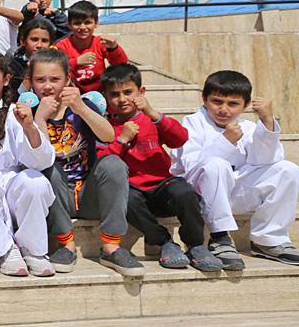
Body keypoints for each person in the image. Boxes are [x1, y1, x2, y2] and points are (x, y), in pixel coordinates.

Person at [29, 49, 143, 276]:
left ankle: (111, 245)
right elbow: (38, 157)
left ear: (68, 80)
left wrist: (80, 107)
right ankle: (66, 244)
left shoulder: (83, 107)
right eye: (40, 80)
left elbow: (109, 136)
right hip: (56, 198)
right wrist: (39, 118)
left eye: (55, 79)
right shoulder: (28, 113)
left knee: (113, 164)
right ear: (31, 83)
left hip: (89, 195)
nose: (48, 86)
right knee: (48, 169)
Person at [100, 64, 222, 272]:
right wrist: (122, 139)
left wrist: (153, 113)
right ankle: (164, 242)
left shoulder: (152, 120)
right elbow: (103, 163)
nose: (122, 99)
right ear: (106, 97)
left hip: (162, 186)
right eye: (115, 94)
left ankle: (195, 245)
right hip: (133, 191)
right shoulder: (104, 127)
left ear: (142, 92)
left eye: (128, 92)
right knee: (126, 199)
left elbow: (180, 139)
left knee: (184, 191)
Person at [172, 70, 299, 268]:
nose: (223, 109)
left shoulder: (247, 127)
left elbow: (266, 160)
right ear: (204, 99)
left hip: (233, 195)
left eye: (233, 104)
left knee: (287, 169)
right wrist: (225, 141)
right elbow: (192, 169)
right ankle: (219, 237)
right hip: (199, 197)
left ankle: (269, 240)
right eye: (217, 101)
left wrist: (266, 121)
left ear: (246, 105)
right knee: (216, 164)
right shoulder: (191, 123)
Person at [0, 52, 57, 277]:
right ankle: (6, 250)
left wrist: (30, 127)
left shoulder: (17, 113)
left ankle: (34, 251)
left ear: (5, 79)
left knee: (35, 181)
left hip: (11, 179)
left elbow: (40, 160)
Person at [54, 0, 128, 94]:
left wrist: (113, 48)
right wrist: (76, 62)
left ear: (96, 23)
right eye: (77, 23)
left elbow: (122, 65)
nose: (83, 27)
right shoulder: (62, 45)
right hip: (72, 92)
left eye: (87, 22)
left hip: (100, 93)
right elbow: (56, 68)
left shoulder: (100, 43)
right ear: (69, 25)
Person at [8, 17, 58, 90]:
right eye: (34, 40)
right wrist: (29, 73)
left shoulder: (56, 65)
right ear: (23, 41)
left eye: (44, 41)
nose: (39, 45)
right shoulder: (14, 66)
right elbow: (14, 96)